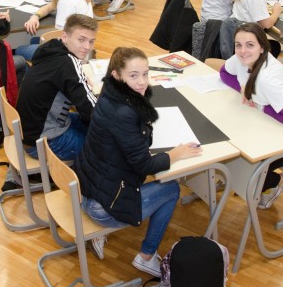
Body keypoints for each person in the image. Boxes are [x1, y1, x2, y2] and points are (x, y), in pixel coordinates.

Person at [74, 47, 201, 273]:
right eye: (133, 76)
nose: (142, 82)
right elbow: (144, 165)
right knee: (172, 189)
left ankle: (105, 237)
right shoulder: (125, 113)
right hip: (102, 206)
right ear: (116, 75)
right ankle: (146, 256)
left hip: (88, 189)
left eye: (145, 73)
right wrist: (176, 153)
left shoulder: (108, 94)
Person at [219, 23, 283, 209]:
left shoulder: (268, 78)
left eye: (250, 45)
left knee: (247, 166)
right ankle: (236, 178)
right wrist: (245, 92)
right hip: (265, 124)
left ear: (262, 47)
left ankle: (278, 180)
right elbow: (224, 73)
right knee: (230, 153)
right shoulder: (241, 59)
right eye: (238, 45)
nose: (243, 51)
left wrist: (259, 105)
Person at [16, 14, 98, 163]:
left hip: (32, 129)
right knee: (104, 149)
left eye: (91, 41)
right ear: (65, 37)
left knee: (94, 129)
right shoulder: (68, 63)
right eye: (81, 40)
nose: (87, 47)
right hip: (42, 141)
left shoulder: (51, 48)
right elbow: (90, 107)